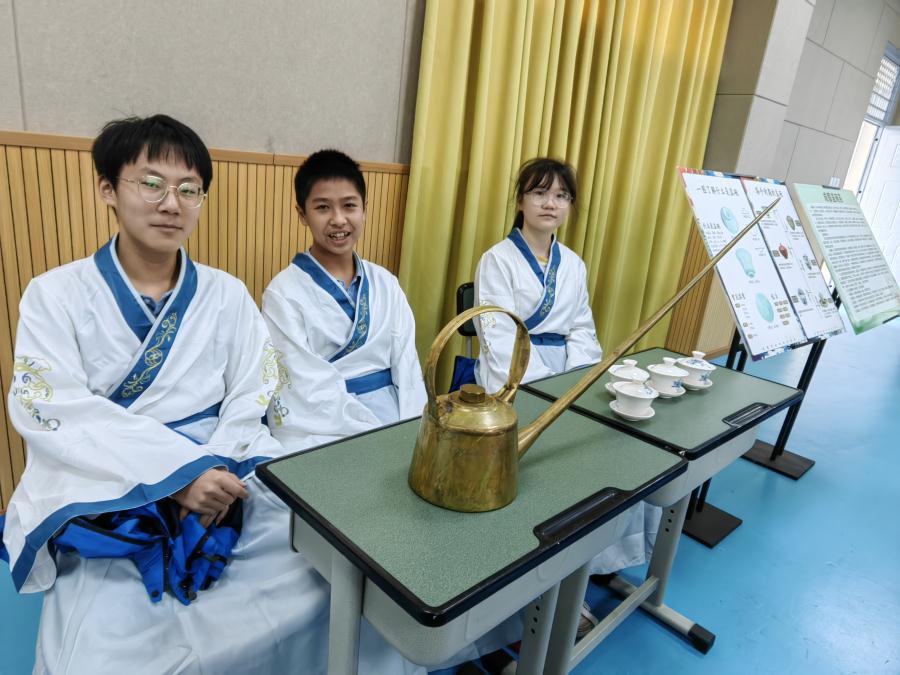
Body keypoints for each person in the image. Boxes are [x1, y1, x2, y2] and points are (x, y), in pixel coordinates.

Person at [0, 116, 418, 674]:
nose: (171, 203)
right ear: (108, 188)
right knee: (103, 649)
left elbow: (253, 390)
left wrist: (215, 469)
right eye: (151, 183)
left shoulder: (227, 293)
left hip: (226, 462)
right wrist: (179, 476)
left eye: (189, 189)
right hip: (113, 475)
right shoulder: (54, 294)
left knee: (336, 570)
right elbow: (54, 409)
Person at [473, 157, 660, 638]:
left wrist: (578, 382)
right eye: (539, 193)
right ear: (520, 200)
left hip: (567, 375)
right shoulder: (497, 260)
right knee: (537, 485)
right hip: (514, 380)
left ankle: (591, 561)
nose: (550, 204)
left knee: (605, 452)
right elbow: (497, 336)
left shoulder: (573, 264)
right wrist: (542, 389)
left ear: (571, 206)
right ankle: (532, 591)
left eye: (561, 196)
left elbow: (582, 329)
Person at [263, 149, 427, 448]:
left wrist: (411, 426)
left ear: (364, 209)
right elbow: (300, 384)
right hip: (323, 424)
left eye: (349, 205)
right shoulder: (282, 292)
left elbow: (407, 364)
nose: (338, 220)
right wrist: (370, 433)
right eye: (323, 207)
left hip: (394, 412)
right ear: (302, 214)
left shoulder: (386, 282)